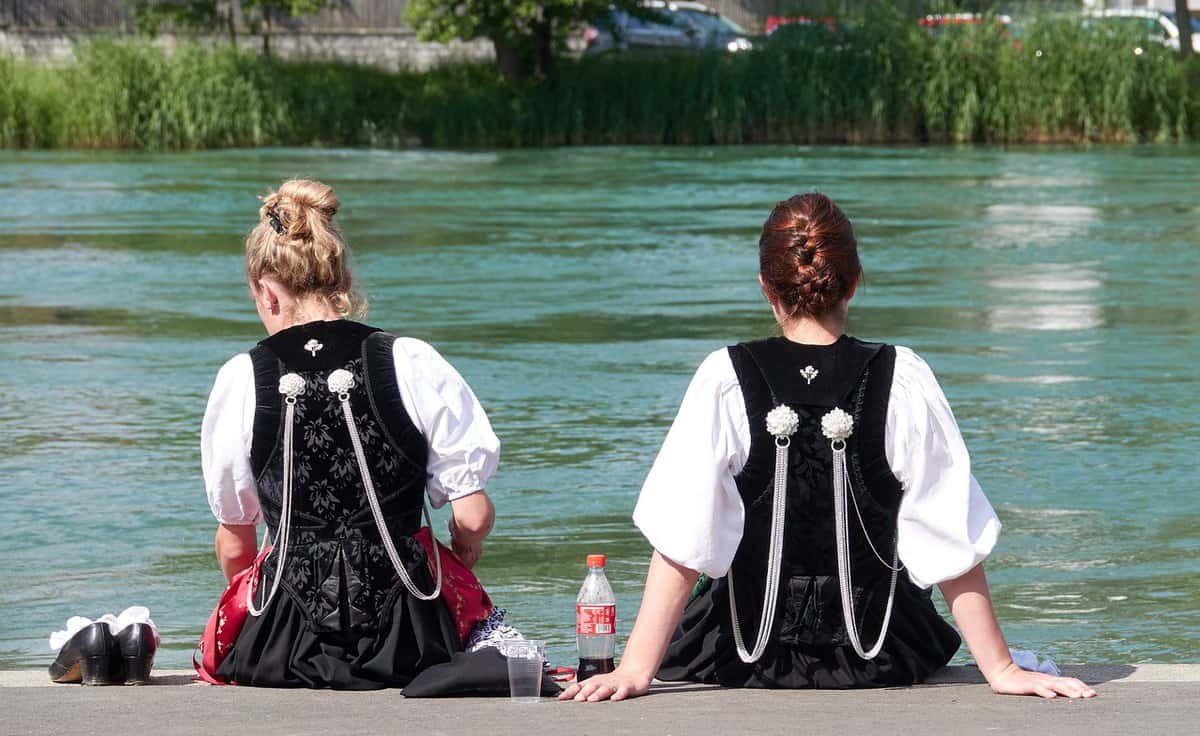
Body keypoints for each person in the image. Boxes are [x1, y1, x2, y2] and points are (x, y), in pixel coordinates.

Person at [562, 193, 1097, 702]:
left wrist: (635, 669)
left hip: (742, 655)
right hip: (881, 653)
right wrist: (1000, 670)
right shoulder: (901, 376)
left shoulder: (725, 376)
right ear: (855, 283)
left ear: (766, 289)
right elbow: (948, 533)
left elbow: (685, 540)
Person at [201, 179, 499, 689]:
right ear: (341, 279)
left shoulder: (241, 378)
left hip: (281, 646)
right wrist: (463, 552)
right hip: (415, 637)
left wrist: (253, 606)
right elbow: (472, 515)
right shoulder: (409, 359)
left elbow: (235, 544)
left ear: (267, 291)